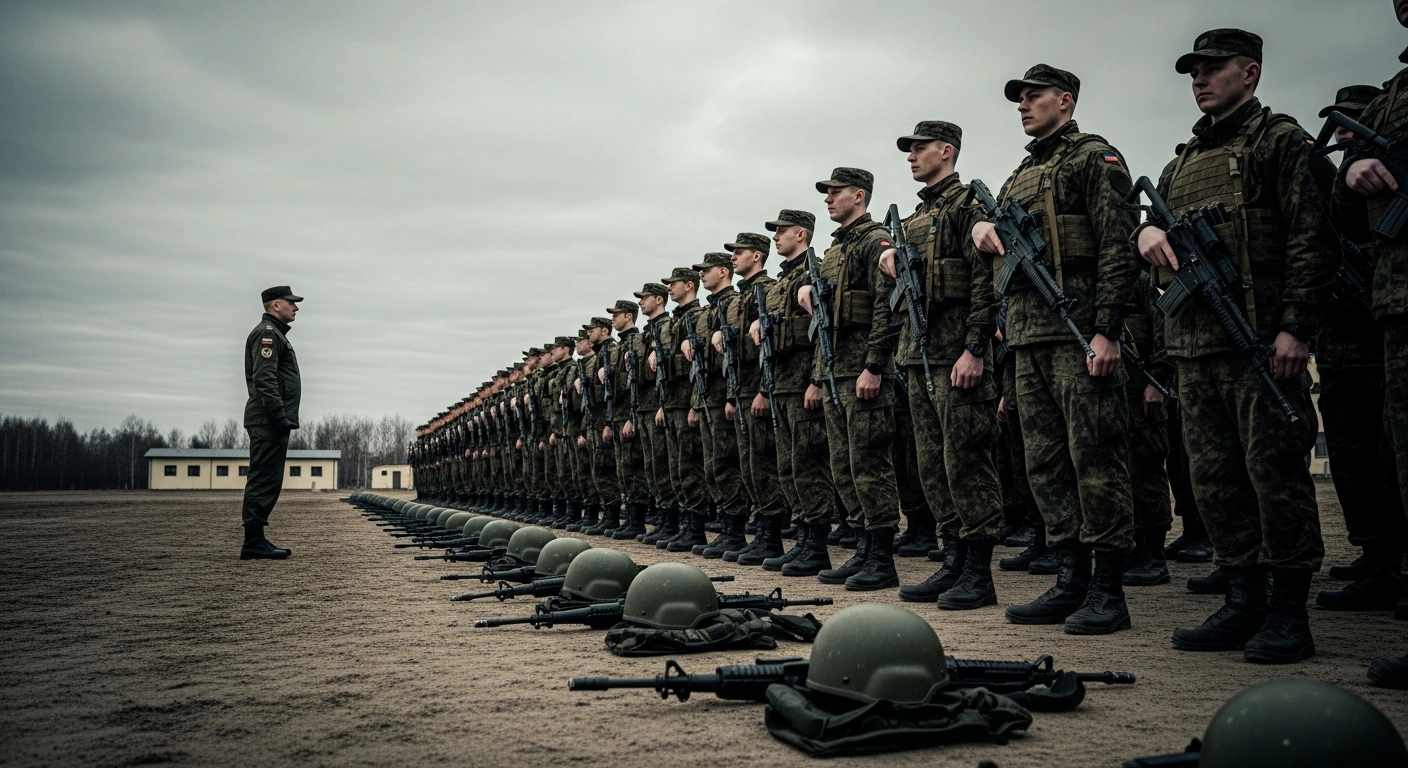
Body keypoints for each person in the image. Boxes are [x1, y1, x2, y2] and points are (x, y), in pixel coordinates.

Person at [1136, 30, 1335, 663]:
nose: (1199, 79)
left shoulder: (1280, 142)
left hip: (1259, 343)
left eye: (1212, 68)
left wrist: (1296, 327)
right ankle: (1242, 597)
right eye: (1193, 71)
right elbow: (1154, 234)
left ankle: (1288, 610)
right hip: (1195, 349)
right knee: (1214, 479)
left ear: (1250, 73)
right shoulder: (1179, 165)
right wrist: (1145, 234)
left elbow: (1313, 238)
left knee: (1275, 477)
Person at [971, 64, 1140, 634]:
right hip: (1027, 339)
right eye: (1019, 98)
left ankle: (1107, 590)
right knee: (1045, 462)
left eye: (1033, 96)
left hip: (1078, 334)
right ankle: (1070, 578)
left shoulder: (1094, 158)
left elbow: (1118, 245)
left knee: (1096, 459)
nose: (1023, 105)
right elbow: (994, 239)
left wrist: (1108, 329)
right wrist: (981, 230)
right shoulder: (1020, 174)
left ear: (1065, 100)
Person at [880, 121, 1004, 610]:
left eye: (919, 148)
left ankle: (978, 573)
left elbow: (984, 283)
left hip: (957, 358)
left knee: (966, 462)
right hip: (918, 357)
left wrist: (975, 348)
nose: (911, 156)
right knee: (932, 466)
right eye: (908, 150)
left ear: (946, 151)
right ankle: (953, 560)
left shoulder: (966, 208)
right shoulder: (914, 220)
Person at [1332, 0, 1408, 688]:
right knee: (1377, 457)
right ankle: (1382, 561)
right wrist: (1350, 171)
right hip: (1387, 312)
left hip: (1379, 314)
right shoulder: (1393, 100)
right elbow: (1338, 222)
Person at [1314, 84, 1407, 612]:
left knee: (1390, 458)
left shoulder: (1383, 172)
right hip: (1340, 343)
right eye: (1340, 126)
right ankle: (1376, 557)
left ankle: (1398, 560)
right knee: (1351, 461)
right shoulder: (1338, 181)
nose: (1345, 134)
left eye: (1353, 123)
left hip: (1381, 333)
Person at [798, 167, 903, 591]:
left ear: (858, 196)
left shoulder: (874, 241)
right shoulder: (834, 251)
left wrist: (874, 365)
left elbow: (886, 307)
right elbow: (824, 323)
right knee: (844, 467)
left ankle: (881, 558)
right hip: (834, 372)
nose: (828, 199)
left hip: (862, 372)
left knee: (870, 465)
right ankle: (862, 548)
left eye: (835, 191)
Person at [755, 209, 837, 577]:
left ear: (801, 234)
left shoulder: (813, 272)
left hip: (804, 384)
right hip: (782, 385)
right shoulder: (779, 284)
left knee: (809, 467)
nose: (776, 236)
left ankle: (816, 546)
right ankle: (803, 540)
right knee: (788, 468)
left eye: (782, 230)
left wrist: (817, 379)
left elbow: (824, 332)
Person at [722, 232, 789, 564]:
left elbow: (772, 349)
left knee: (764, 464)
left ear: (757, 256)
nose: (733, 257)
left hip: (760, 391)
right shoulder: (741, 298)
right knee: (750, 465)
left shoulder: (768, 290)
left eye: (740, 251)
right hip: (743, 391)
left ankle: (771, 537)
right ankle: (762, 534)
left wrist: (764, 389)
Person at [240, 285, 303, 560]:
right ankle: (253, 542)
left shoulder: (275, 334)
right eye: (291, 302)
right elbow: (265, 379)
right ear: (276, 305)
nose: (296, 307)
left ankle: (256, 540)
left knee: (269, 479)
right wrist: (280, 417)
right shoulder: (268, 334)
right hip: (268, 419)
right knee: (264, 478)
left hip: (270, 419)